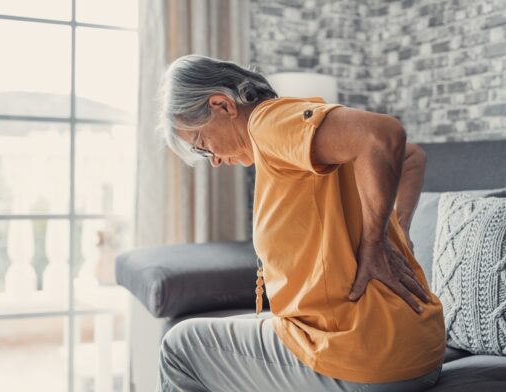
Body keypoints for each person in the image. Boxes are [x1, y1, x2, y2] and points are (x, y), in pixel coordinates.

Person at [155, 54, 446, 392]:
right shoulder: (300, 137)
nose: (215, 161)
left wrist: (376, 242)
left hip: (365, 358)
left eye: (203, 145)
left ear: (222, 105)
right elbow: (411, 158)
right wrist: (400, 231)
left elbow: (383, 134)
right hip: (416, 347)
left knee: (179, 347)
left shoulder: (269, 123)